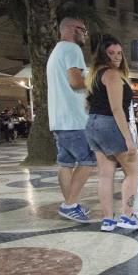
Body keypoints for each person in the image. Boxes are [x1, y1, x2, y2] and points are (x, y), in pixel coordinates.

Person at [84, 36, 138, 232]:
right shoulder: (111, 74)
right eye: (111, 53)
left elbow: (87, 104)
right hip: (109, 124)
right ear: (103, 54)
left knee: (105, 174)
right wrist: (129, 140)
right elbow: (117, 109)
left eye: (119, 53)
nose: (116, 57)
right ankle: (127, 216)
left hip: (93, 124)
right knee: (133, 171)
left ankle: (108, 220)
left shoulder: (94, 75)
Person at [46, 16, 94, 223]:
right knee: (88, 160)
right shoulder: (72, 49)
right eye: (84, 30)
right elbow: (76, 82)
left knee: (65, 163)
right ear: (73, 29)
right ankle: (69, 205)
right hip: (74, 119)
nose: (85, 35)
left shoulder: (56, 52)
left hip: (59, 118)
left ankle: (71, 204)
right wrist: (95, 81)